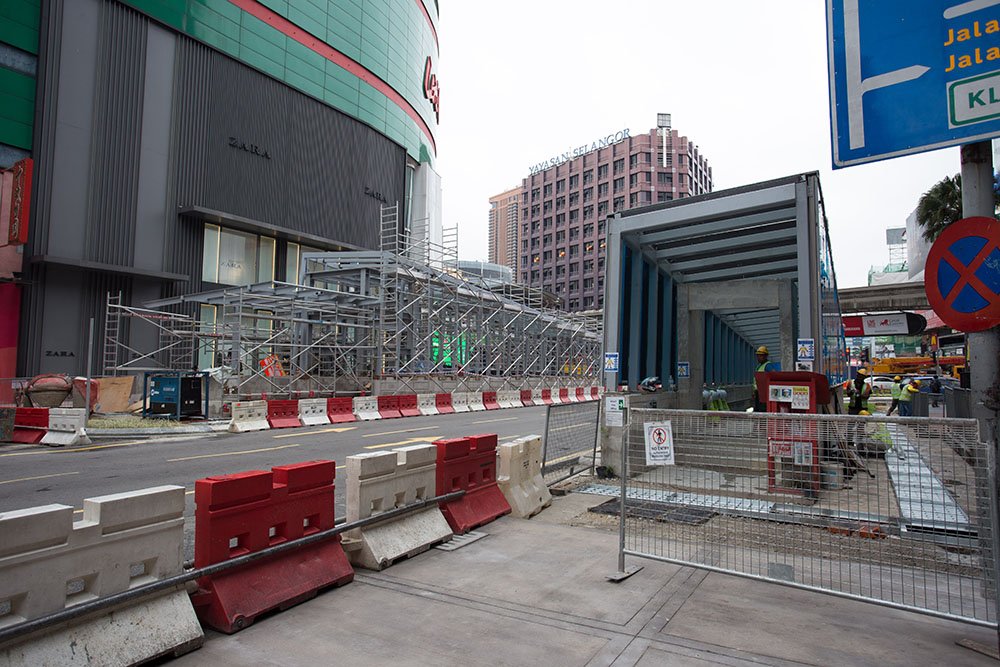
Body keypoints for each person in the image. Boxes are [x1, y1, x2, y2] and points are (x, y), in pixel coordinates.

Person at [751, 345, 777, 412]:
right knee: (757, 409)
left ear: (765, 356)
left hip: (763, 393)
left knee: (762, 409)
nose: (758, 357)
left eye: (761, 355)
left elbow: (774, 375)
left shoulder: (768, 365)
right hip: (758, 392)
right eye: (758, 355)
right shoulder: (759, 366)